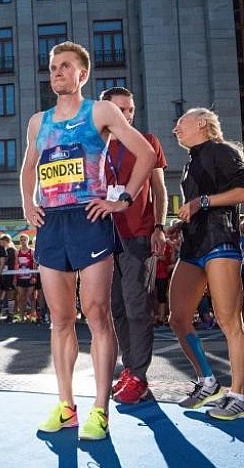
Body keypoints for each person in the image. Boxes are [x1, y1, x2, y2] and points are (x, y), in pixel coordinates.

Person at [21, 41, 156, 441]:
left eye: (65, 66)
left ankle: (100, 409)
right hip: (52, 223)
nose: (57, 72)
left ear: (82, 74)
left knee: (97, 314)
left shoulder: (100, 111)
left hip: (89, 218)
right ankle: (66, 406)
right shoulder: (38, 121)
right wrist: (28, 204)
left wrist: (122, 199)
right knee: (60, 319)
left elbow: (146, 153)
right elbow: (29, 167)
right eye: (53, 67)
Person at [165, 107, 244, 419]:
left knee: (229, 321)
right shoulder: (191, 162)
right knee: (178, 317)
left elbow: (241, 191)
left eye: (180, 123)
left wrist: (202, 202)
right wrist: (180, 223)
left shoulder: (223, 151)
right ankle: (208, 382)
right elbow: (198, 205)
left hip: (220, 242)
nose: (175, 130)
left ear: (201, 123)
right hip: (193, 246)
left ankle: (238, 394)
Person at [100, 86, 169, 405]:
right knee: (115, 307)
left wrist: (159, 226)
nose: (128, 115)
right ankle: (129, 369)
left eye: (131, 109)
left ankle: (139, 376)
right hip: (102, 237)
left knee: (135, 303)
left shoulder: (147, 141)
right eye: (121, 110)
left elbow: (159, 189)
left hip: (138, 233)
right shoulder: (93, 146)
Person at [13, 234, 36, 322]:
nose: (23, 241)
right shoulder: (17, 252)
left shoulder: (32, 251)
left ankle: (33, 315)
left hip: (30, 277)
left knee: (31, 296)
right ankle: (22, 315)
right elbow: (16, 264)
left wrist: (34, 276)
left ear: (27, 241)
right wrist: (15, 278)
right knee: (21, 297)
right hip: (20, 277)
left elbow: (34, 265)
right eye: (21, 240)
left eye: (24, 240)